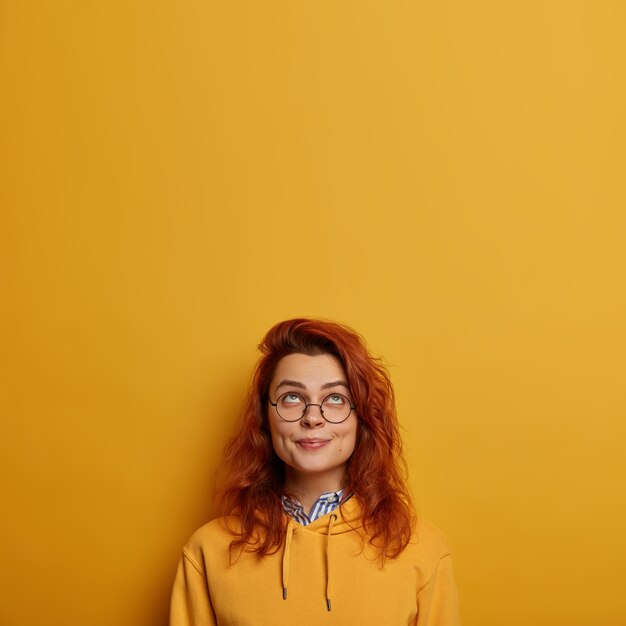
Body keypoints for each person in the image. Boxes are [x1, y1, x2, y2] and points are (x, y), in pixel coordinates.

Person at [169, 318, 461, 625]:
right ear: (264, 416)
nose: (312, 418)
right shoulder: (208, 550)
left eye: (335, 398)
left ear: (361, 418)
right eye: (292, 397)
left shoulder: (422, 550)